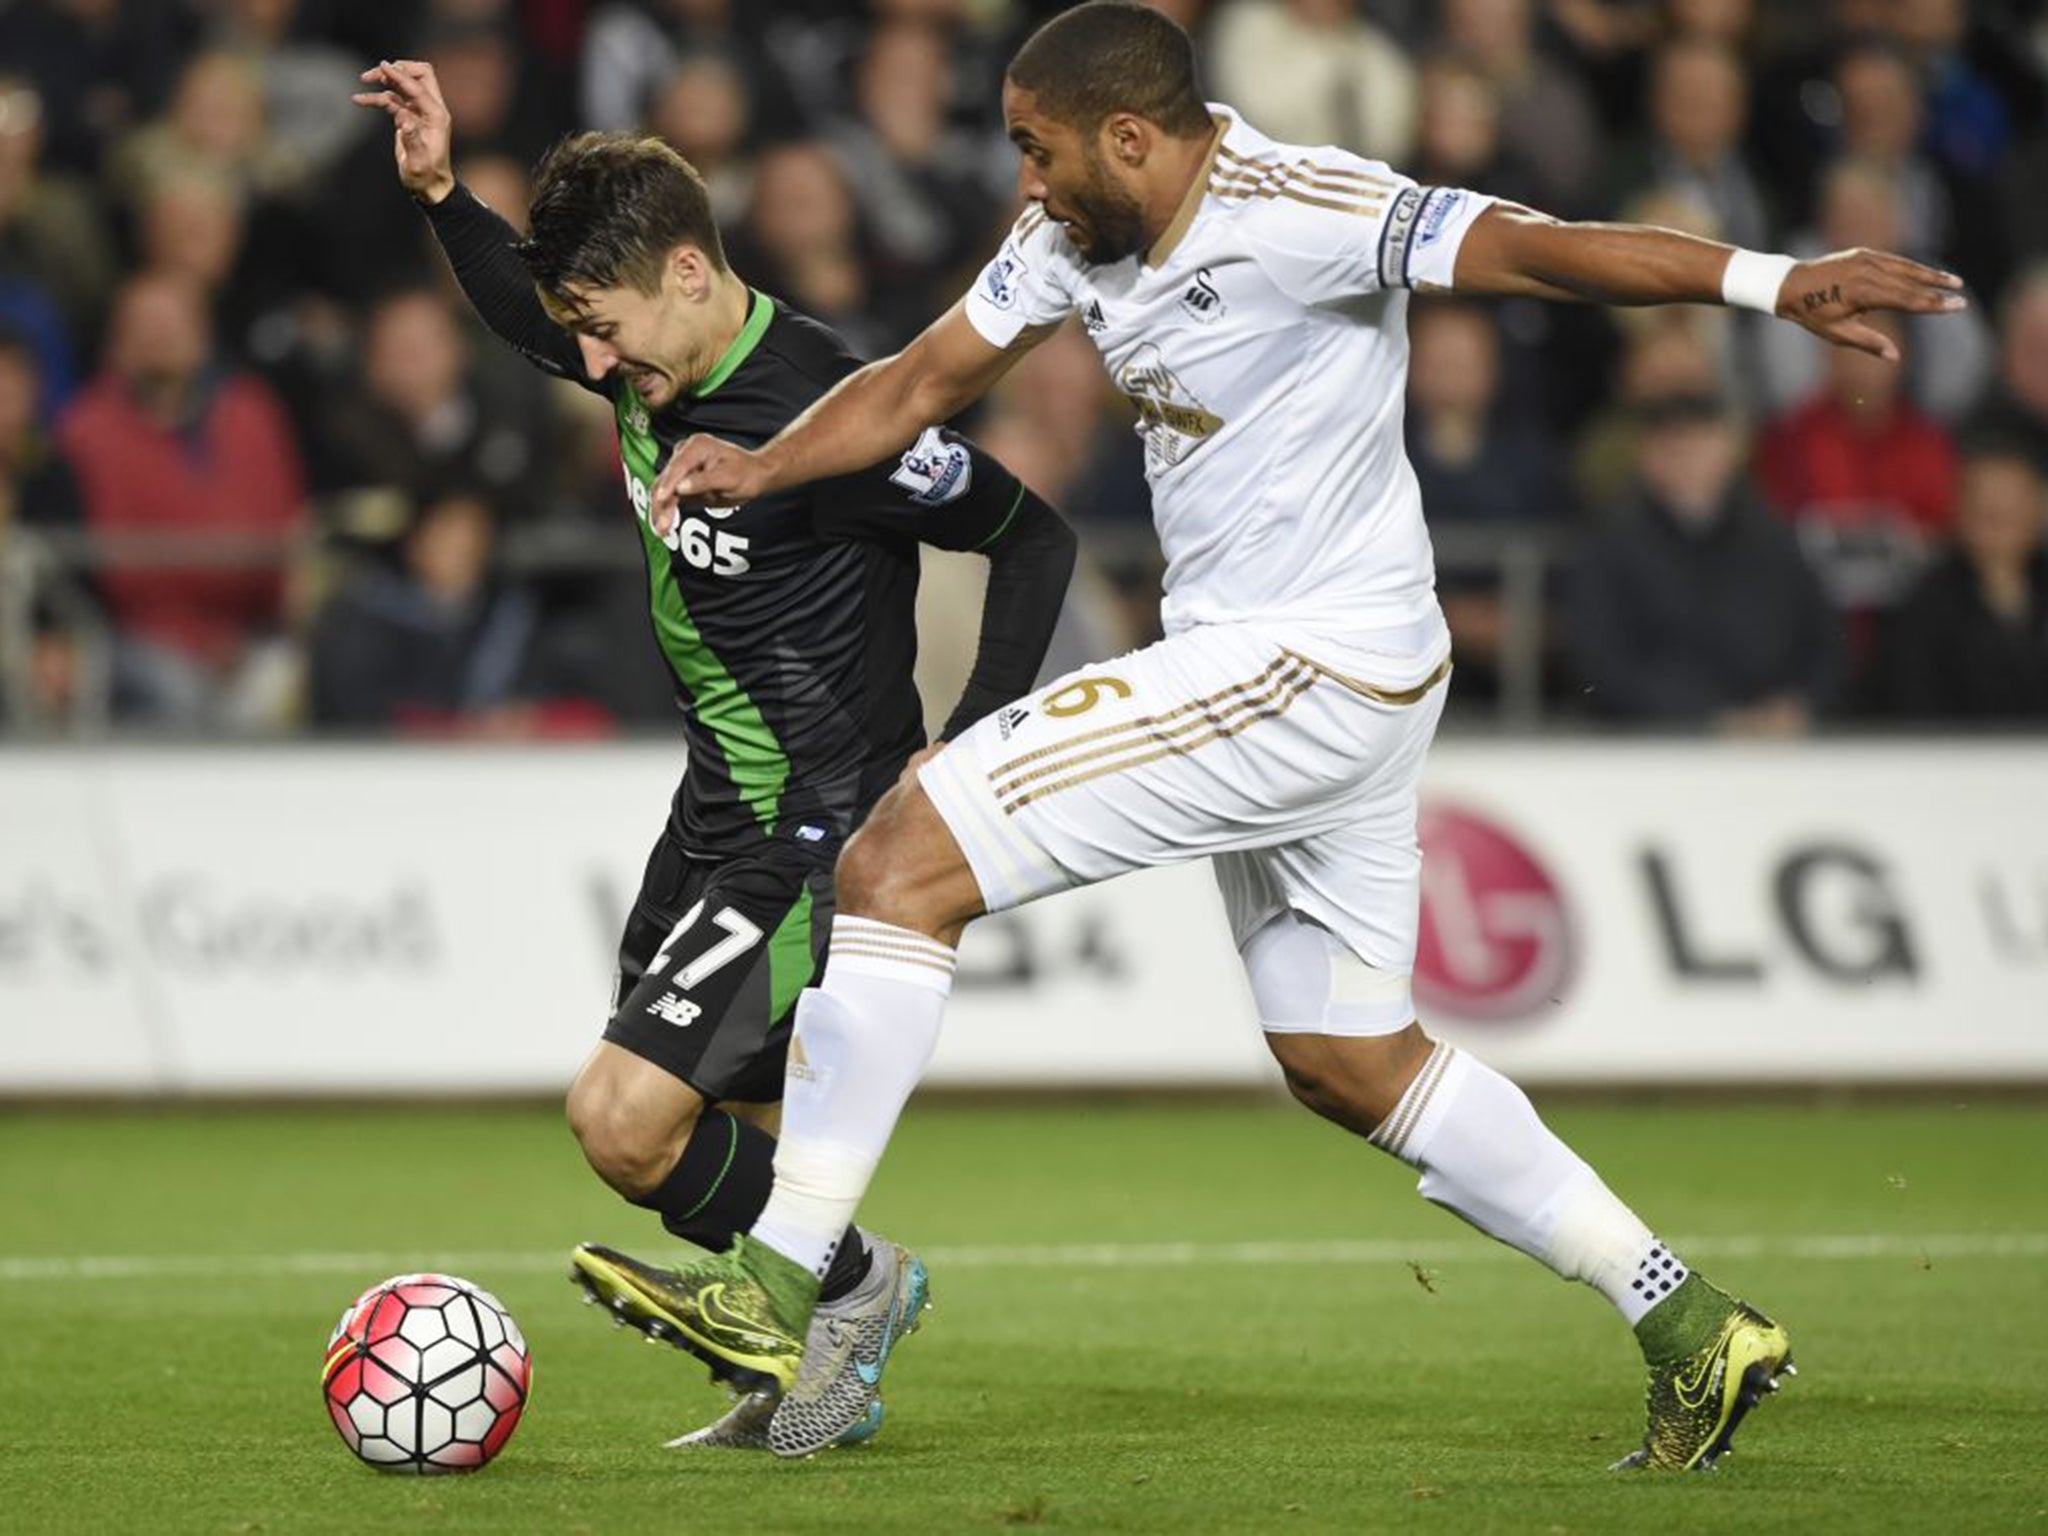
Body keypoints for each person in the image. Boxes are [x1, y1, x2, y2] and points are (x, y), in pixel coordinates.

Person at [577, 0, 1964, 1472]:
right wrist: (767, 463)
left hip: (1306, 659)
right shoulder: (1071, 237)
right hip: (1336, 677)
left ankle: (782, 1279)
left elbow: (1545, 247)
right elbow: (919, 382)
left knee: (899, 860)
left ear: (1130, 136)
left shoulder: (1311, 205)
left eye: (1041, 153)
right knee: (1347, 1059)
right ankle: (1690, 1324)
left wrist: (1775, 278)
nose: (1027, 186)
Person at [353, 59, 1077, 1456]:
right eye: (587, 337)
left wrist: (967, 748)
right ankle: (810, 1373)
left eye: (610, 330)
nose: (599, 367)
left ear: (690, 272)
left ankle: (862, 1286)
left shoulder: (827, 412)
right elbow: (525, 315)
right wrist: (447, 197)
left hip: (817, 829)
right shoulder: (646, 355)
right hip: (715, 810)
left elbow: (1029, 538)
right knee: (724, 1134)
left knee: (622, 1120)